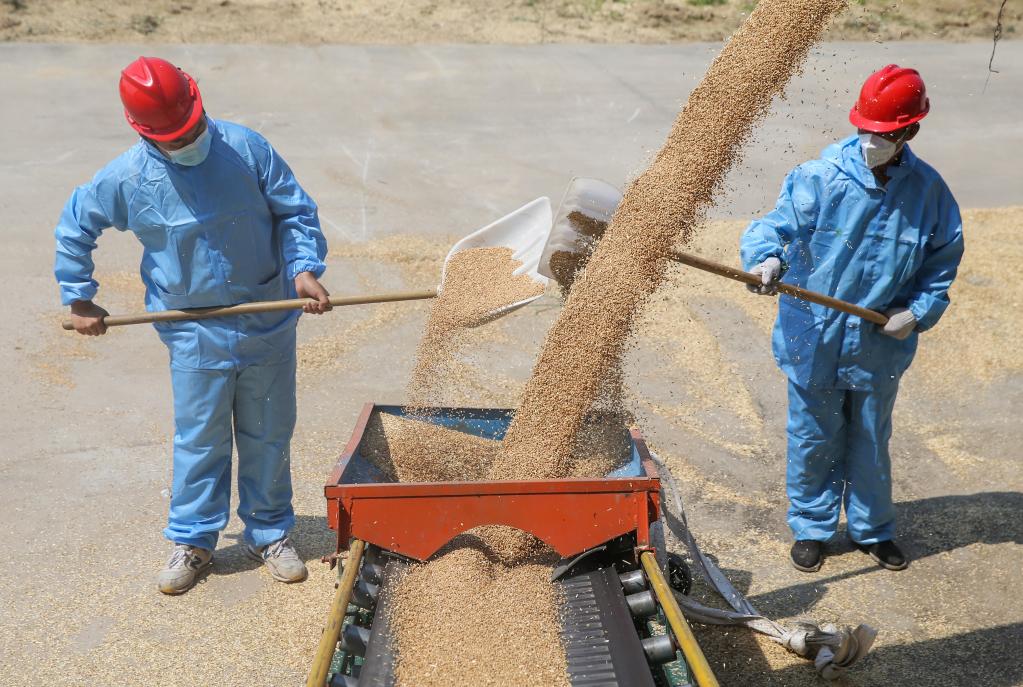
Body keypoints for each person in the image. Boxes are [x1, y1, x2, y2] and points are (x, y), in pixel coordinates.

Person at [54, 57, 331, 594]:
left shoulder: (247, 149)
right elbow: (74, 227)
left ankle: (269, 531)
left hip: (266, 316)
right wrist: (80, 297)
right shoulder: (126, 179)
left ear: (201, 107)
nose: (190, 142)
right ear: (144, 132)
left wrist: (303, 270)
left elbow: (296, 213)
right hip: (191, 327)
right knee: (201, 438)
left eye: (194, 129)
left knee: (269, 431)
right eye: (176, 138)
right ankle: (195, 541)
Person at [740, 65, 964, 573]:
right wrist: (766, 259)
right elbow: (773, 227)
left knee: (869, 437)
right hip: (813, 338)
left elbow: (942, 262)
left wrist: (917, 312)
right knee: (813, 437)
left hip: (878, 346)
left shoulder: (929, 193)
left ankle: (872, 530)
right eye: (867, 130)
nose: (872, 141)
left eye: (884, 134)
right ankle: (812, 528)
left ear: (910, 131)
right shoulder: (819, 178)